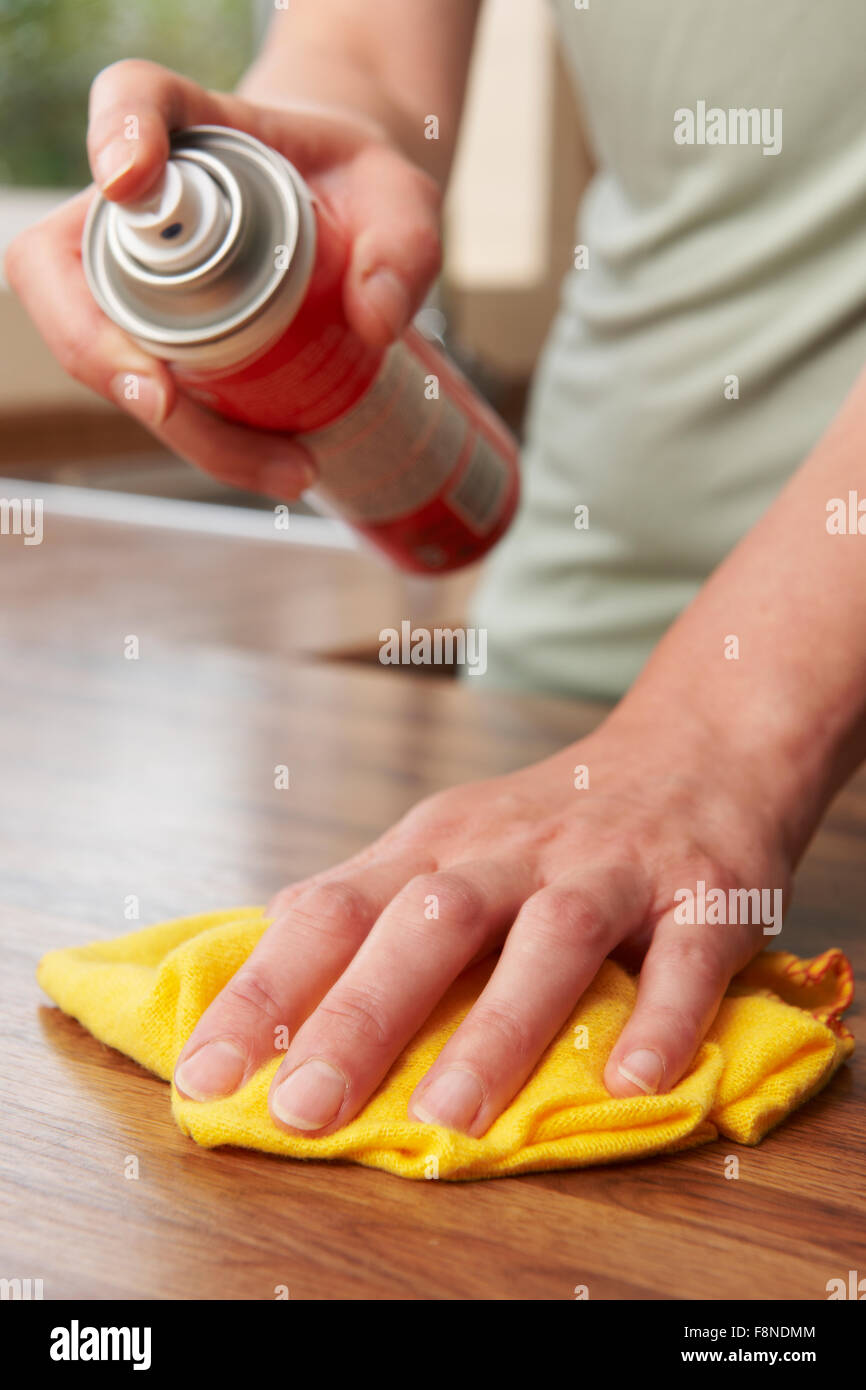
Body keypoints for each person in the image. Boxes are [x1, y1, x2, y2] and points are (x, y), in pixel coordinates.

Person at [7, 0, 866, 1139]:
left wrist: (722, 733)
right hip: (558, 695)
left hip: (744, 740)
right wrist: (307, 162)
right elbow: (360, 47)